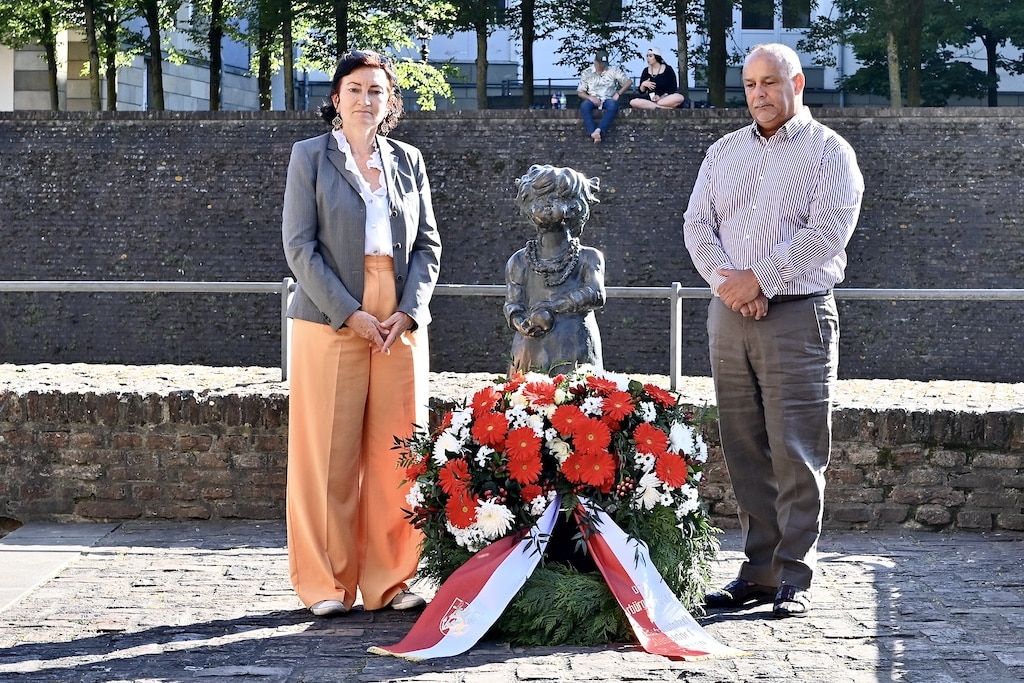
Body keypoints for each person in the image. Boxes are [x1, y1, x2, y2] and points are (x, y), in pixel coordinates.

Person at [682, 43, 864, 619]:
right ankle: (757, 569)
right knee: (742, 444)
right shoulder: (723, 151)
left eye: (770, 82)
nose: (758, 94)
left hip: (797, 313)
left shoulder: (830, 152)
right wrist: (728, 283)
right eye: (750, 84)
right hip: (728, 313)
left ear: (798, 83)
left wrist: (758, 280)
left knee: (795, 446)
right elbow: (696, 225)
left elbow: (827, 230)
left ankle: (793, 573)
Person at [281, 49, 442, 618]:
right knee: (326, 452)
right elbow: (300, 248)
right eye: (355, 89)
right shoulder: (309, 158)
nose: (365, 100)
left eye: (377, 91)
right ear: (335, 98)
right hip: (329, 312)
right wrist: (349, 313)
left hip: (397, 314)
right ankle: (326, 583)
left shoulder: (410, 160)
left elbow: (427, 245)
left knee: (400, 450)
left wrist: (408, 310)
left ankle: (393, 581)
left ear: (389, 101)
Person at [504, 164, 606, 376]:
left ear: (576, 206)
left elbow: (595, 294)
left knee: (579, 401)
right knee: (525, 403)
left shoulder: (589, 257)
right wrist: (521, 323)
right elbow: (513, 304)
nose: (548, 206)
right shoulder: (519, 261)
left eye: (557, 199)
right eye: (540, 200)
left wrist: (552, 305)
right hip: (529, 347)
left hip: (575, 343)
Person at [576, 50, 632, 143]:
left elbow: (628, 82)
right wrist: (590, 97)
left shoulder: (613, 70)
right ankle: (592, 132)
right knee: (585, 106)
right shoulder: (587, 72)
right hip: (593, 97)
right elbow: (580, 92)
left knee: (613, 105)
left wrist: (618, 93)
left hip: (608, 97)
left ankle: (599, 130)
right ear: (595, 62)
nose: (602, 67)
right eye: (600, 64)